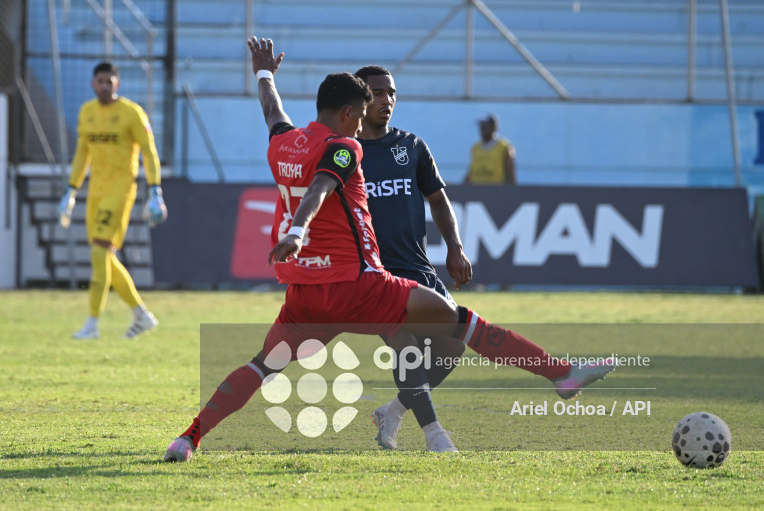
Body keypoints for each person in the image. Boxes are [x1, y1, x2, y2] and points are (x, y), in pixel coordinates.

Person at [162, 37, 615, 462]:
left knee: (262, 367)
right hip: (362, 287)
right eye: (359, 114)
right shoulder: (344, 148)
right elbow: (322, 187)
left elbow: (272, 111)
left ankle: (189, 438)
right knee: (461, 321)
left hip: (306, 295)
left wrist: (264, 75)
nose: (363, 124)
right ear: (345, 112)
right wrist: (298, 230)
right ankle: (560, 374)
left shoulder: (284, 142)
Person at [354, 65, 470, 452]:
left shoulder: (412, 146)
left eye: (391, 92)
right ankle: (436, 435)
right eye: (376, 93)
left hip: (420, 270)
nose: (386, 100)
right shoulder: (345, 152)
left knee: (453, 345)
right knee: (406, 347)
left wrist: (454, 247)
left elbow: (438, 199)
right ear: (359, 98)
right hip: (374, 275)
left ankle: (393, 411)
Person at [58, 61, 167, 340]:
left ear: (117, 84)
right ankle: (141, 314)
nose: (105, 86)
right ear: (93, 84)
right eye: (100, 81)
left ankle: (92, 324)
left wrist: (155, 190)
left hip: (120, 189)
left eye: (110, 81)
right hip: (95, 191)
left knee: (99, 251)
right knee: (105, 256)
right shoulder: (87, 112)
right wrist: (71, 190)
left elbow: (149, 151)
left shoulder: (131, 113)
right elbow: (83, 154)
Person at [464, 114, 516, 185]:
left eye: (485, 126)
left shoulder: (504, 147)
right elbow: (471, 171)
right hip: (476, 188)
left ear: (493, 128)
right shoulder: (475, 147)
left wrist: (512, 189)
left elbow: (510, 171)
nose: (482, 129)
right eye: (481, 126)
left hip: (495, 188)